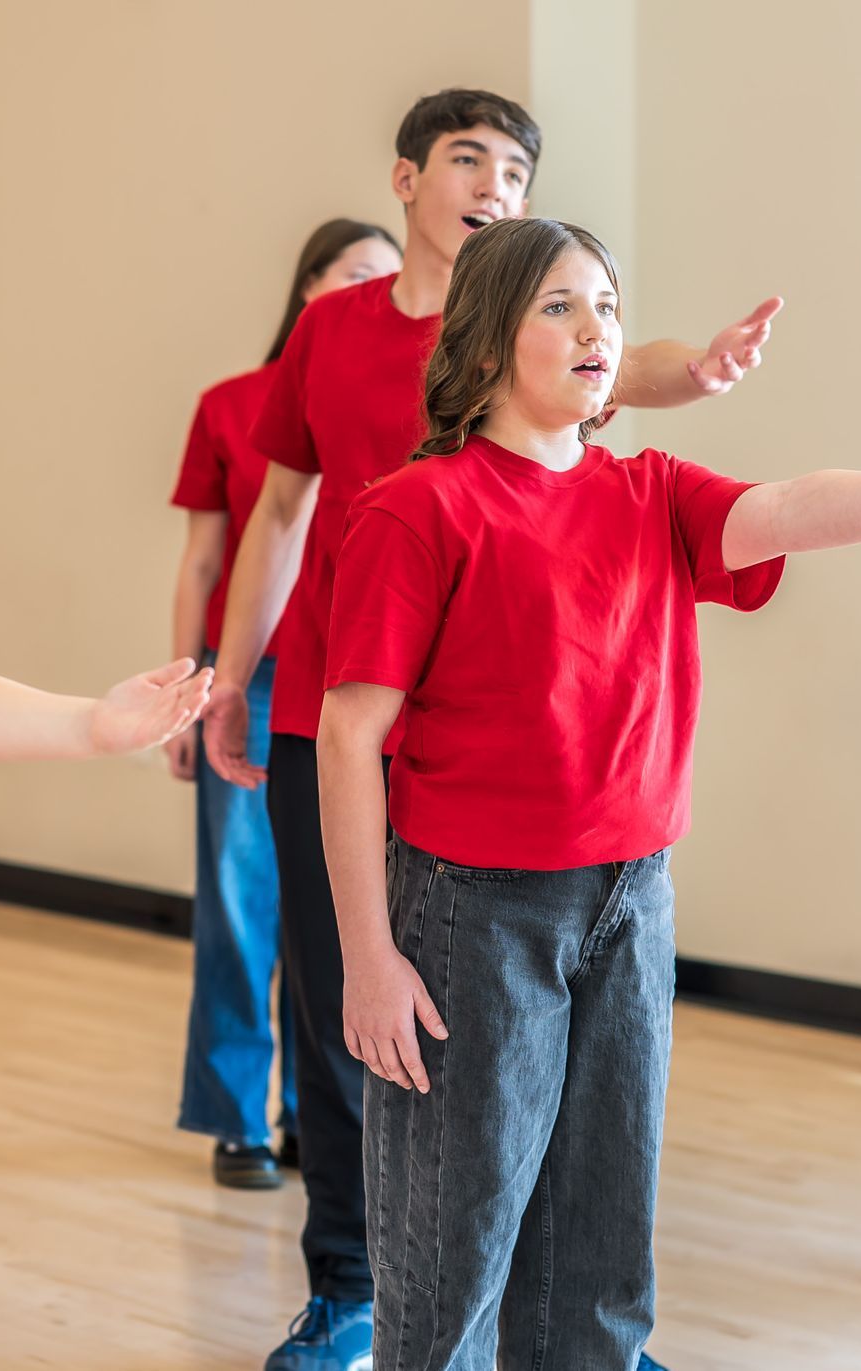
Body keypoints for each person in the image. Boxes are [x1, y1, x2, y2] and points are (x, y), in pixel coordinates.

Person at [321, 216, 861, 1370]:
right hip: (473, 916)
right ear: (483, 349)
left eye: (610, 306)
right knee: (455, 1251)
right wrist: (370, 959)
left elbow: (787, 508)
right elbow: (346, 737)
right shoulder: (419, 510)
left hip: (631, 901)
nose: (597, 328)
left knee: (600, 1247)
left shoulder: (651, 490)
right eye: (561, 307)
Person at [203, 88, 781, 1371]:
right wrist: (229, 678)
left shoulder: (559, 350)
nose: (497, 185)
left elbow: (628, 379)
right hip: (356, 723)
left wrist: (708, 365)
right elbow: (282, 511)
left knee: (554, 1136)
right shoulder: (347, 348)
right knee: (375, 1041)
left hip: (526, 776)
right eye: (473, 161)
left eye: (518, 168)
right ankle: (352, 1288)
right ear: (409, 178)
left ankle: (561, 1333)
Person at [169, 217, 400, 1189]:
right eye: (356, 276)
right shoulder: (229, 406)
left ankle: (319, 1110)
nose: (378, 295)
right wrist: (191, 683)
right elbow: (208, 559)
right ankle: (236, 1116)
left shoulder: (418, 388)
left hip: (353, 672)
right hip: (250, 673)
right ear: (309, 289)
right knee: (239, 896)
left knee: (335, 905)